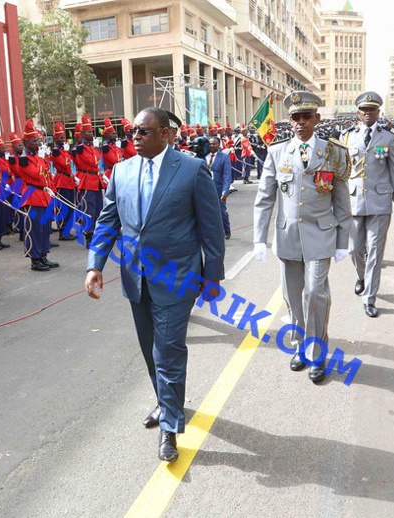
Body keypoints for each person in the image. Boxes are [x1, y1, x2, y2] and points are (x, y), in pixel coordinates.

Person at [85, 107, 225, 462]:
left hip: (177, 277)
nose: (135, 137)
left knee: (168, 351)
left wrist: (212, 277)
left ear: (165, 134)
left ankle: (170, 429)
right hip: (136, 276)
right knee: (150, 349)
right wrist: (95, 265)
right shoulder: (122, 170)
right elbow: (107, 220)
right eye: (133, 131)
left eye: (143, 132)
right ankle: (166, 403)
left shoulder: (192, 170)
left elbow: (210, 229)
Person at [253, 91, 351, 383]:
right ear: (290, 120)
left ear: (317, 119)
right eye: (295, 117)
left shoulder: (334, 152)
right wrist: (259, 238)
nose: (300, 122)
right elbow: (264, 198)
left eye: (306, 116)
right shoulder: (277, 151)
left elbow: (342, 200)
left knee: (315, 295)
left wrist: (343, 240)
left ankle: (318, 353)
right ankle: (300, 347)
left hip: (321, 235)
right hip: (288, 236)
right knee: (294, 297)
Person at [341, 92, 394, 318]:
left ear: (378, 112)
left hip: (380, 203)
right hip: (354, 201)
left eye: (372, 110)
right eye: (364, 110)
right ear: (358, 113)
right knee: (354, 249)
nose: (368, 114)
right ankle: (362, 276)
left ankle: (369, 298)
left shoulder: (388, 136)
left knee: (376, 252)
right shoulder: (347, 136)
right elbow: (342, 173)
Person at [17, 120, 59, 272]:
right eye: (34, 141)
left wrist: (51, 189)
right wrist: (42, 159)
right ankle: (35, 259)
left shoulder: (38, 156)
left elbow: (46, 176)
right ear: (26, 143)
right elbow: (35, 174)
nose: (37, 143)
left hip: (44, 194)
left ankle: (43, 255)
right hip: (32, 195)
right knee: (35, 228)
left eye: (38, 140)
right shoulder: (23, 159)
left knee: (45, 227)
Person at [72, 115, 103, 247]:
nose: (92, 133)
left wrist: (95, 150)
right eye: (89, 132)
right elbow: (93, 161)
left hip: (95, 180)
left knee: (98, 210)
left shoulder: (91, 147)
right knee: (88, 210)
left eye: (92, 131)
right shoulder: (80, 148)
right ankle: (88, 235)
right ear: (83, 134)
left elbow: (97, 160)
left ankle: (96, 234)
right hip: (87, 180)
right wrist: (95, 150)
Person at [206, 137, 232, 239]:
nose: (212, 146)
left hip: (218, 189)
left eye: (214, 144)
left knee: (221, 212)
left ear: (219, 145)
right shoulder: (204, 157)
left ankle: (227, 230)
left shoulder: (224, 158)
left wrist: (225, 191)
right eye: (210, 144)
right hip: (205, 189)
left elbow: (227, 176)